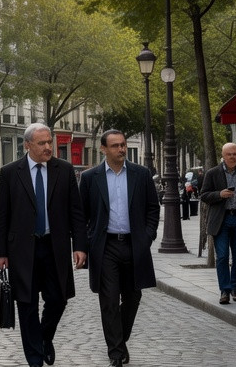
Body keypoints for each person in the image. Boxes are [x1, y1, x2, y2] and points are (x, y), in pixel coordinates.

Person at [0, 123, 86, 367]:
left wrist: (80, 245)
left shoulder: (64, 170)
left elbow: (76, 212)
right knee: (26, 304)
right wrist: (0, 251)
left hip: (54, 247)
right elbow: (2, 215)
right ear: (27, 145)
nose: (48, 147)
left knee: (58, 299)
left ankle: (44, 337)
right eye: (42, 143)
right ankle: (34, 359)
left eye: (49, 142)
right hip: (22, 250)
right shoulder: (10, 172)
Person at [79, 130, 158, 367]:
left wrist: (147, 237)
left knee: (133, 297)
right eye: (115, 146)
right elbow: (81, 215)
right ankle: (115, 353)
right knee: (109, 300)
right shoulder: (90, 177)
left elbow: (152, 208)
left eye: (123, 145)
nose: (121, 149)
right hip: (106, 247)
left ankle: (119, 341)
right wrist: (84, 245)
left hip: (135, 245)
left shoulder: (141, 174)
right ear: (103, 149)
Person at [200, 142, 236, 304]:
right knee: (222, 256)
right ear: (223, 155)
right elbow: (204, 195)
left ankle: (235, 287)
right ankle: (224, 291)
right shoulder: (213, 173)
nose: (232, 157)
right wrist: (219, 194)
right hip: (222, 219)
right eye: (229, 154)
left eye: (235, 154)